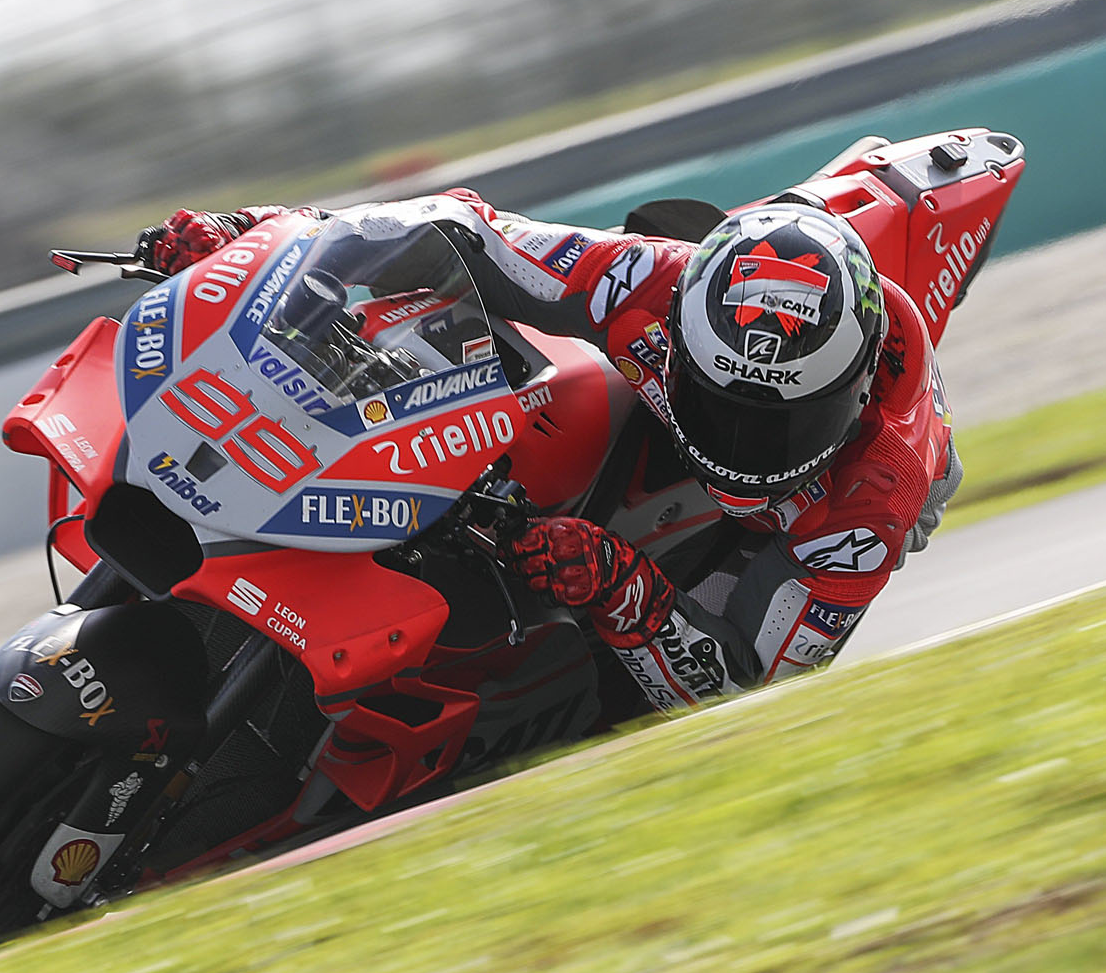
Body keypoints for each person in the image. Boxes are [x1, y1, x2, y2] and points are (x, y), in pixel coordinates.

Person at [135, 188, 960, 712]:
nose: (741, 446)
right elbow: (469, 232)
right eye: (719, 403)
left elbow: (747, 687)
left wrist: (619, 583)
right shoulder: (650, 280)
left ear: (853, 389)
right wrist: (262, 235)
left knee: (620, 706)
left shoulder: (874, 499)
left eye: (778, 427)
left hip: (793, 530)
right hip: (697, 329)